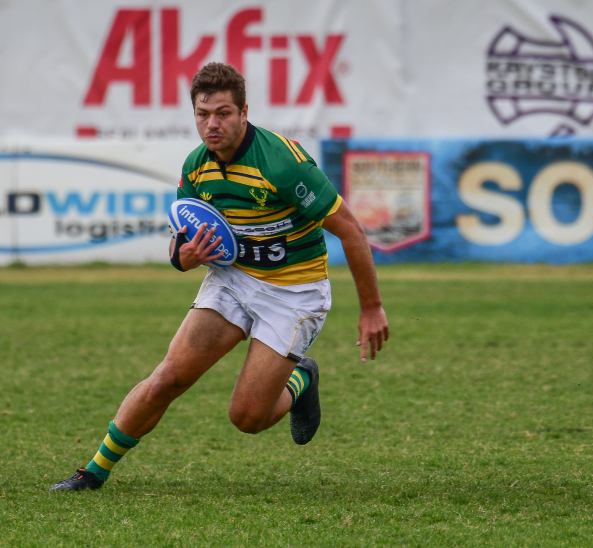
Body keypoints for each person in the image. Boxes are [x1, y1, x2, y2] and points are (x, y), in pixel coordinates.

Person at [50, 62, 389, 491]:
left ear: (244, 111)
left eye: (224, 113)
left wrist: (372, 307)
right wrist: (186, 257)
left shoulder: (282, 163)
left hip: (294, 292)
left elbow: (351, 231)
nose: (212, 124)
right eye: (203, 114)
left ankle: (302, 378)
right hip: (233, 281)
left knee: (246, 418)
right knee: (168, 377)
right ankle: (92, 472)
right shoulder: (196, 167)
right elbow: (179, 246)